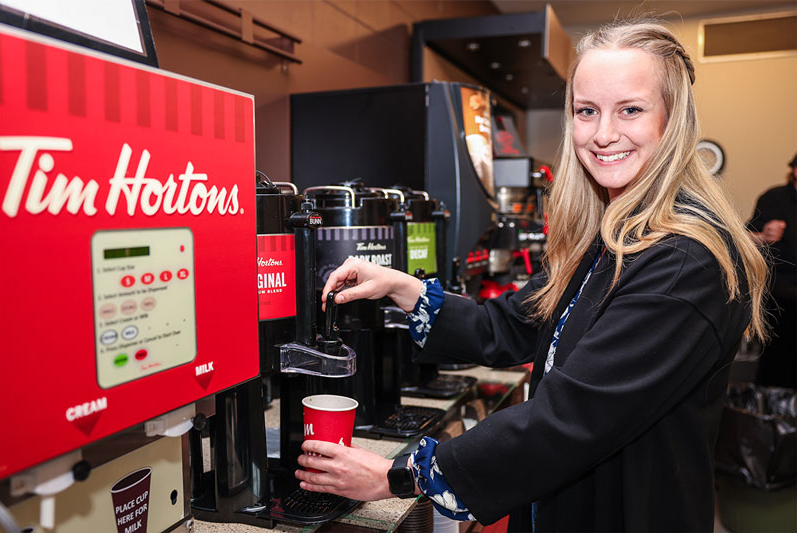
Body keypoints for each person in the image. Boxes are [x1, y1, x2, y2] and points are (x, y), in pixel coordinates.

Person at [294, 19, 769, 532]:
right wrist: (402, 286)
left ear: (670, 121)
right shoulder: (612, 236)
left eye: (630, 110)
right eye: (587, 112)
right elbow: (511, 324)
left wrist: (400, 475)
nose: (604, 134)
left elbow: (571, 419)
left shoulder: (685, 261)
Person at [748, 154, 797, 388]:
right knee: (776, 367)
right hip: (779, 297)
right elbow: (743, 239)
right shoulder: (774, 198)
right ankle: (771, 420)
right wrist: (764, 236)